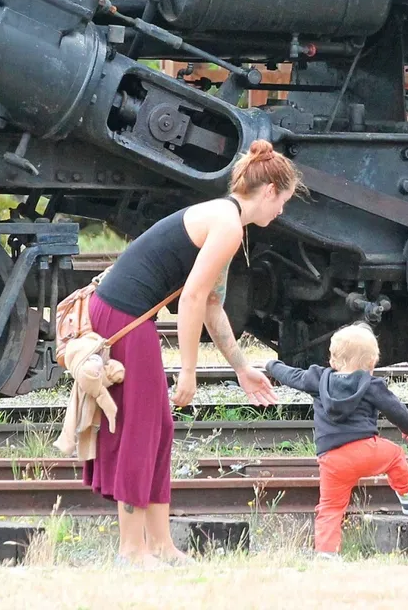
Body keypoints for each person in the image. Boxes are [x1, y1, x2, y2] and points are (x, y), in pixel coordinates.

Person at [84, 138, 297, 565]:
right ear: (270, 191)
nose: (281, 212)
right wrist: (187, 370)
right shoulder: (229, 226)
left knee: (159, 427)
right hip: (125, 316)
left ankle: (161, 546)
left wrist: (241, 368)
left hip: (124, 313)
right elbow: (192, 299)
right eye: (283, 202)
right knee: (141, 429)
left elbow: (212, 303)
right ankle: (131, 550)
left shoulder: (225, 217)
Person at [265, 323, 408, 559]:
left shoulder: (318, 379)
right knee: (395, 455)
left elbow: (292, 376)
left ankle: (327, 554)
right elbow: (395, 409)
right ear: (372, 363)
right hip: (367, 451)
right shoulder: (371, 384)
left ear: (333, 359)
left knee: (330, 508)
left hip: (332, 459)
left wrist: (272, 365)